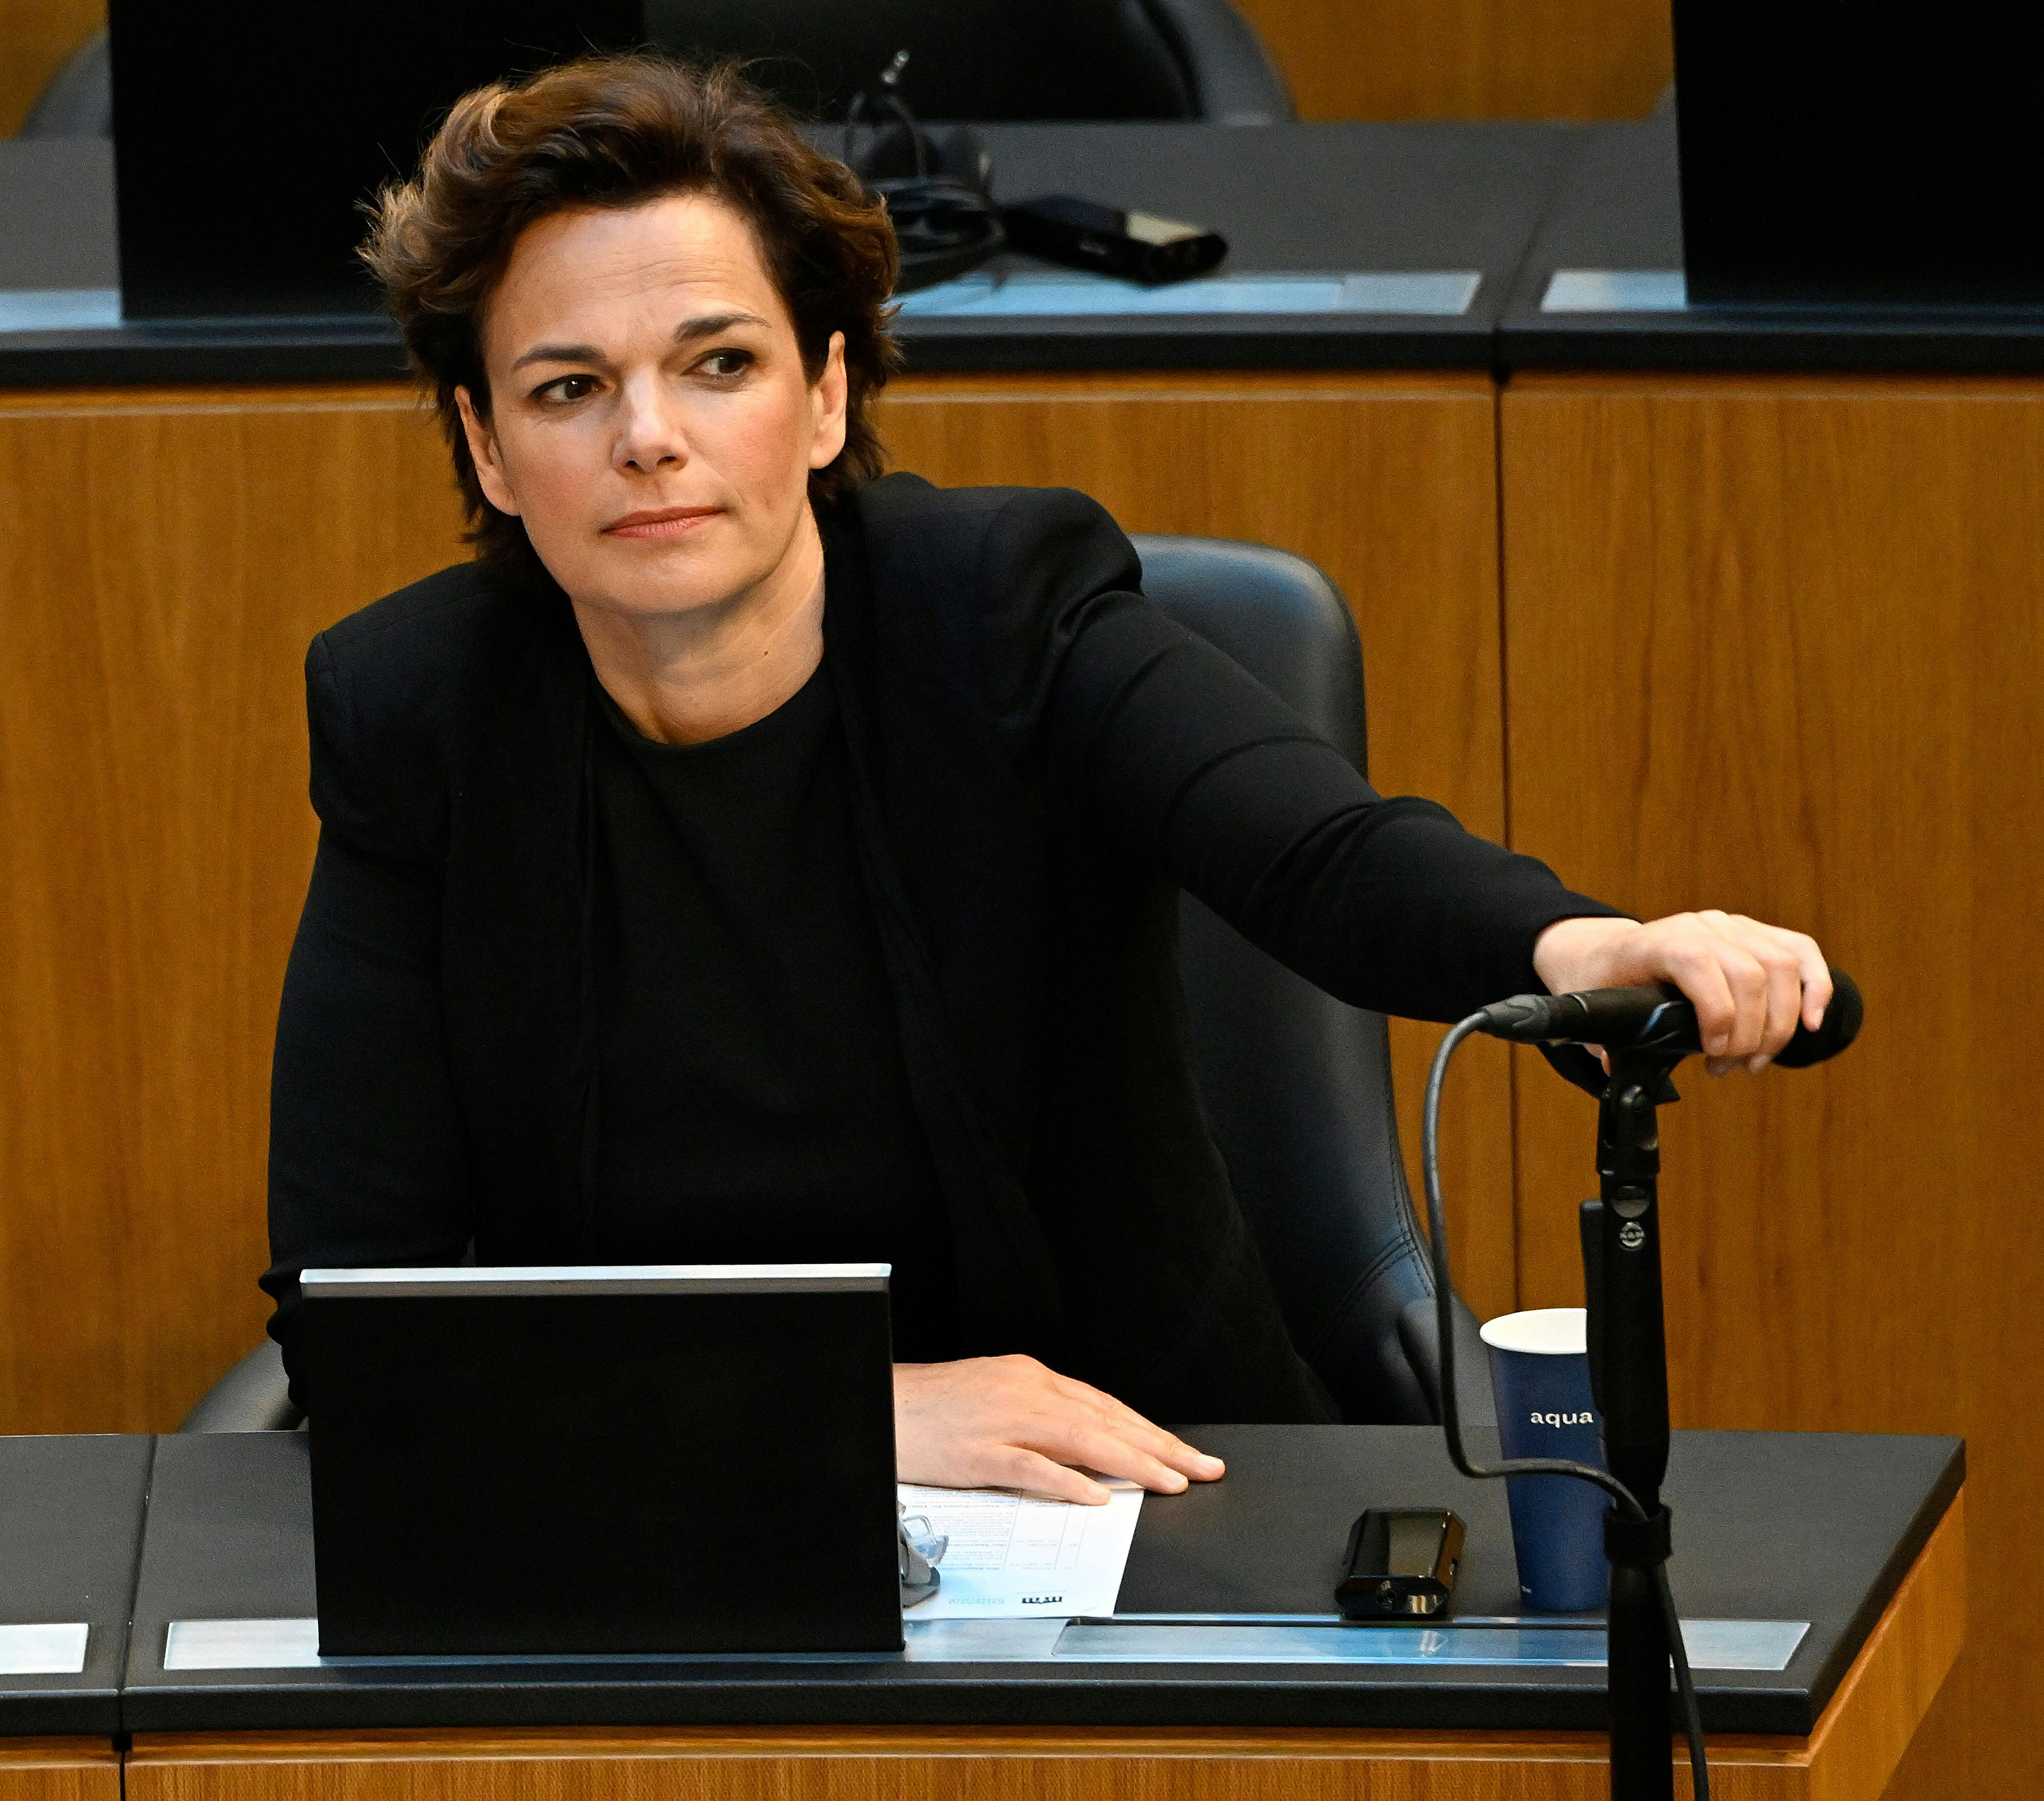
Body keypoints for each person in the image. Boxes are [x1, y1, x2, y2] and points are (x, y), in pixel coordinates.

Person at [262, 54, 1833, 1507]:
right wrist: (847, 1414)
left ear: (825, 395)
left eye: (718, 363)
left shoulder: (1003, 611)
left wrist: (1578, 944)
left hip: (1143, 1476)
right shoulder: (421, 717)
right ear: (486, 446)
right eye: (568, 388)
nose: (650, 438)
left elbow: (1322, 851)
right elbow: (351, 1320)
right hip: (663, 1506)